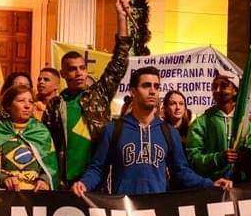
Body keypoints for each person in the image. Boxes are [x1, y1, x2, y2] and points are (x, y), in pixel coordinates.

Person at [72, 66, 231, 196]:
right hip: (123, 213)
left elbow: (182, 172)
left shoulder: (169, 132)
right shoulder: (113, 130)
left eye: (156, 86)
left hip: (158, 213)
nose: (153, 91)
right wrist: (84, 183)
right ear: (133, 91)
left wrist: (210, 183)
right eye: (146, 85)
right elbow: (97, 168)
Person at [44, 0, 132, 188]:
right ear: (63, 73)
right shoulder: (55, 106)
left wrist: (120, 16)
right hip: (62, 184)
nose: (79, 73)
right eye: (72, 70)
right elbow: (46, 145)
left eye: (82, 68)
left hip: (96, 182)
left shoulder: (99, 95)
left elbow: (119, 60)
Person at [187, 71, 251, 181]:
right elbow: (193, 159)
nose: (217, 90)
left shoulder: (243, 122)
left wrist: (243, 156)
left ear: (235, 91)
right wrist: (219, 158)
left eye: (224, 86)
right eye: (215, 87)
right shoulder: (201, 123)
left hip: (240, 185)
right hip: (212, 187)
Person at [0, 85, 58, 191]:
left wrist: (44, 180)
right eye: (21, 101)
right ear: (8, 106)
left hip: (35, 194)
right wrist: (3, 179)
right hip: (5, 193)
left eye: (30, 102)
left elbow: (50, 164)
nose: (27, 106)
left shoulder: (40, 131)